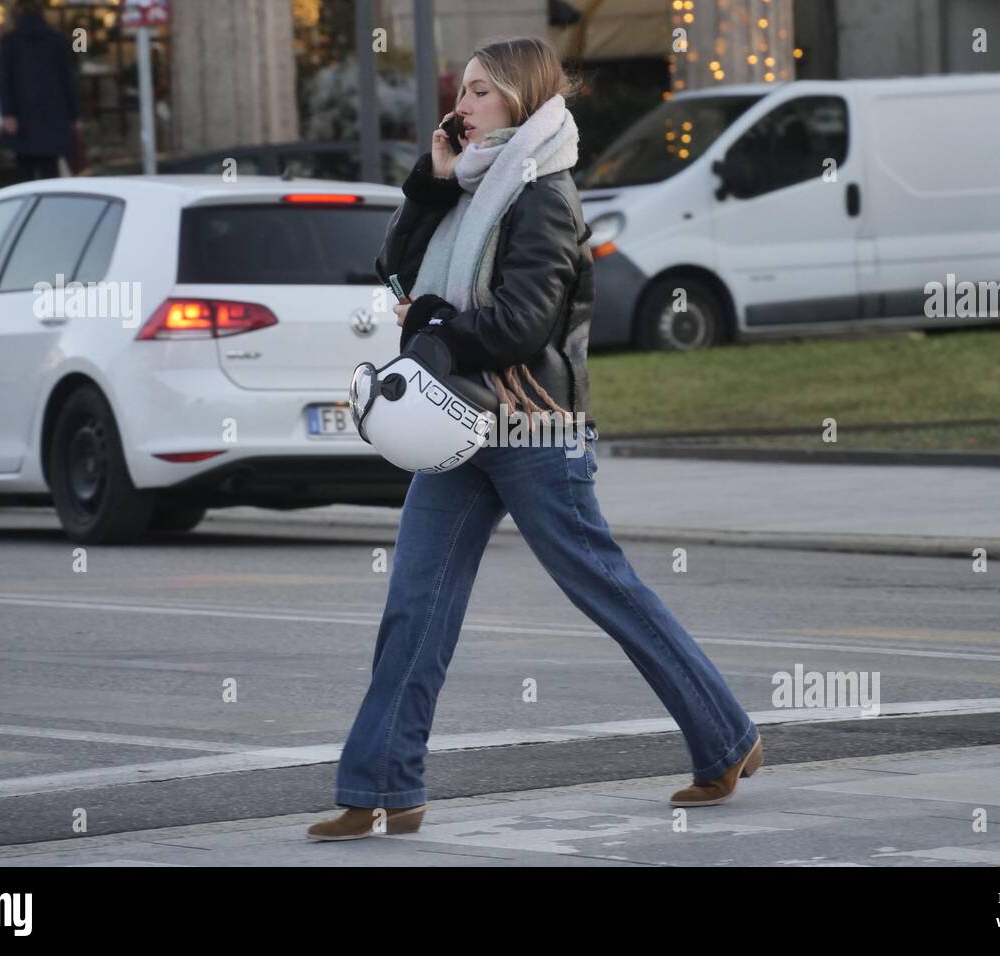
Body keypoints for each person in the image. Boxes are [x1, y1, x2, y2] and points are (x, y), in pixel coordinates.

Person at [306, 37, 763, 842]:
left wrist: (441, 332)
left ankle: (725, 740)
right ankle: (382, 785)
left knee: (603, 587)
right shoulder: (469, 184)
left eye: (481, 91)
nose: (463, 102)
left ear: (519, 100)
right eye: (464, 89)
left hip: (529, 423)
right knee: (415, 601)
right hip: (457, 424)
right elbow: (394, 267)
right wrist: (430, 180)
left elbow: (524, 319)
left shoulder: (543, 191)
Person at [0, 0, 79, 182]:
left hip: (22, 115)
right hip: (54, 114)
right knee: (50, 171)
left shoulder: (10, 42)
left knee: (25, 172)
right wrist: (73, 115)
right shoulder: (56, 40)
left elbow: (4, 80)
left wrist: (7, 113)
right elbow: (68, 79)